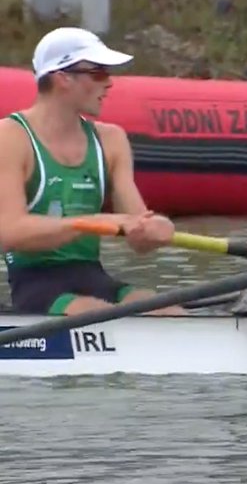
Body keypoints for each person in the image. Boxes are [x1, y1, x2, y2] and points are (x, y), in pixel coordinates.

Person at [0, 27, 182, 316]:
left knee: (169, 314)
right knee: (97, 315)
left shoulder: (111, 140)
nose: (109, 83)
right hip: (36, 286)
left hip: (94, 278)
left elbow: (138, 234)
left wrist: (156, 227)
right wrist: (91, 222)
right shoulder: (10, 137)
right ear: (63, 78)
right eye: (98, 73)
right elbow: (9, 232)